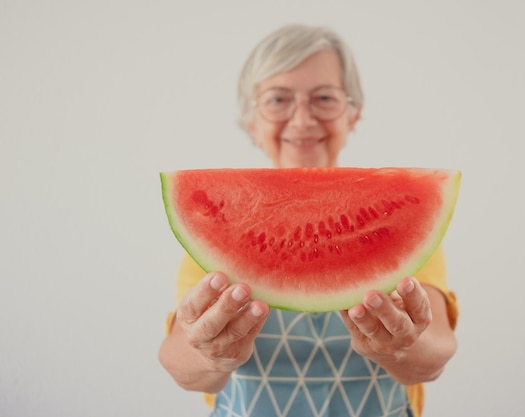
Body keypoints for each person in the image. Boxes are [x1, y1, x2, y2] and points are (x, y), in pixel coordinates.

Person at [159, 24, 459, 417]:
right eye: (278, 99)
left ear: (353, 115)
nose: (302, 120)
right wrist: (209, 356)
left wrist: (405, 346)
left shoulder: (393, 221)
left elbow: (435, 353)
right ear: (252, 121)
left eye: (324, 98)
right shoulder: (217, 226)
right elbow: (177, 361)